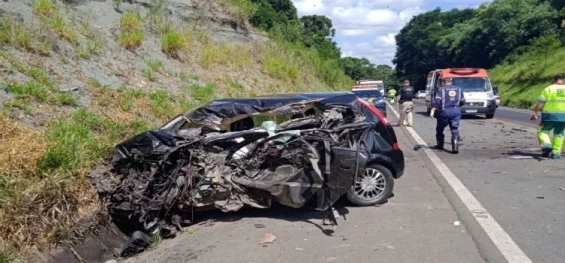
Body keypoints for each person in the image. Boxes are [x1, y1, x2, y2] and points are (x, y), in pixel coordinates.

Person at [530, 74, 565, 159]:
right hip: (563, 117)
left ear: (554, 80)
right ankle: (556, 153)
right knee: (559, 134)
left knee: (542, 131)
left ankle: (546, 145)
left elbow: (540, 103)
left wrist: (535, 113)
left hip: (548, 116)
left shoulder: (548, 89)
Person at [430, 77, 465, 153]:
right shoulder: (459, 89)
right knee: (454, 128)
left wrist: (433, 109)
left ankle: (440, 145)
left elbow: (437, 101)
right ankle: (455, 148)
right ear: (451, 82)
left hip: (444, 111)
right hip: (456, 110)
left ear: (443, 82)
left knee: (440, 128)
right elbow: (462, 101)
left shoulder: (441, 90)